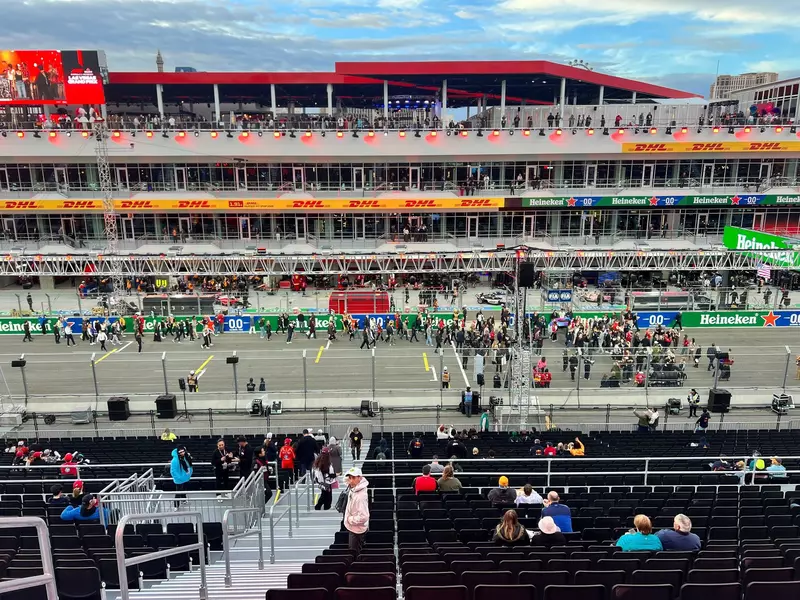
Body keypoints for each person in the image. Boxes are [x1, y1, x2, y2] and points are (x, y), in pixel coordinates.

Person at [343, 467, 370, 554]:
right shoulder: (354, 487)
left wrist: (350, 520)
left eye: (353, 478)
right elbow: (345, 480)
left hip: (356, 530)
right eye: (350, 477)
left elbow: (364, 517)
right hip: (354, 527)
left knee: (354, 553)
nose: (350, 480)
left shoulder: (360, 496)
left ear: (360, 478)